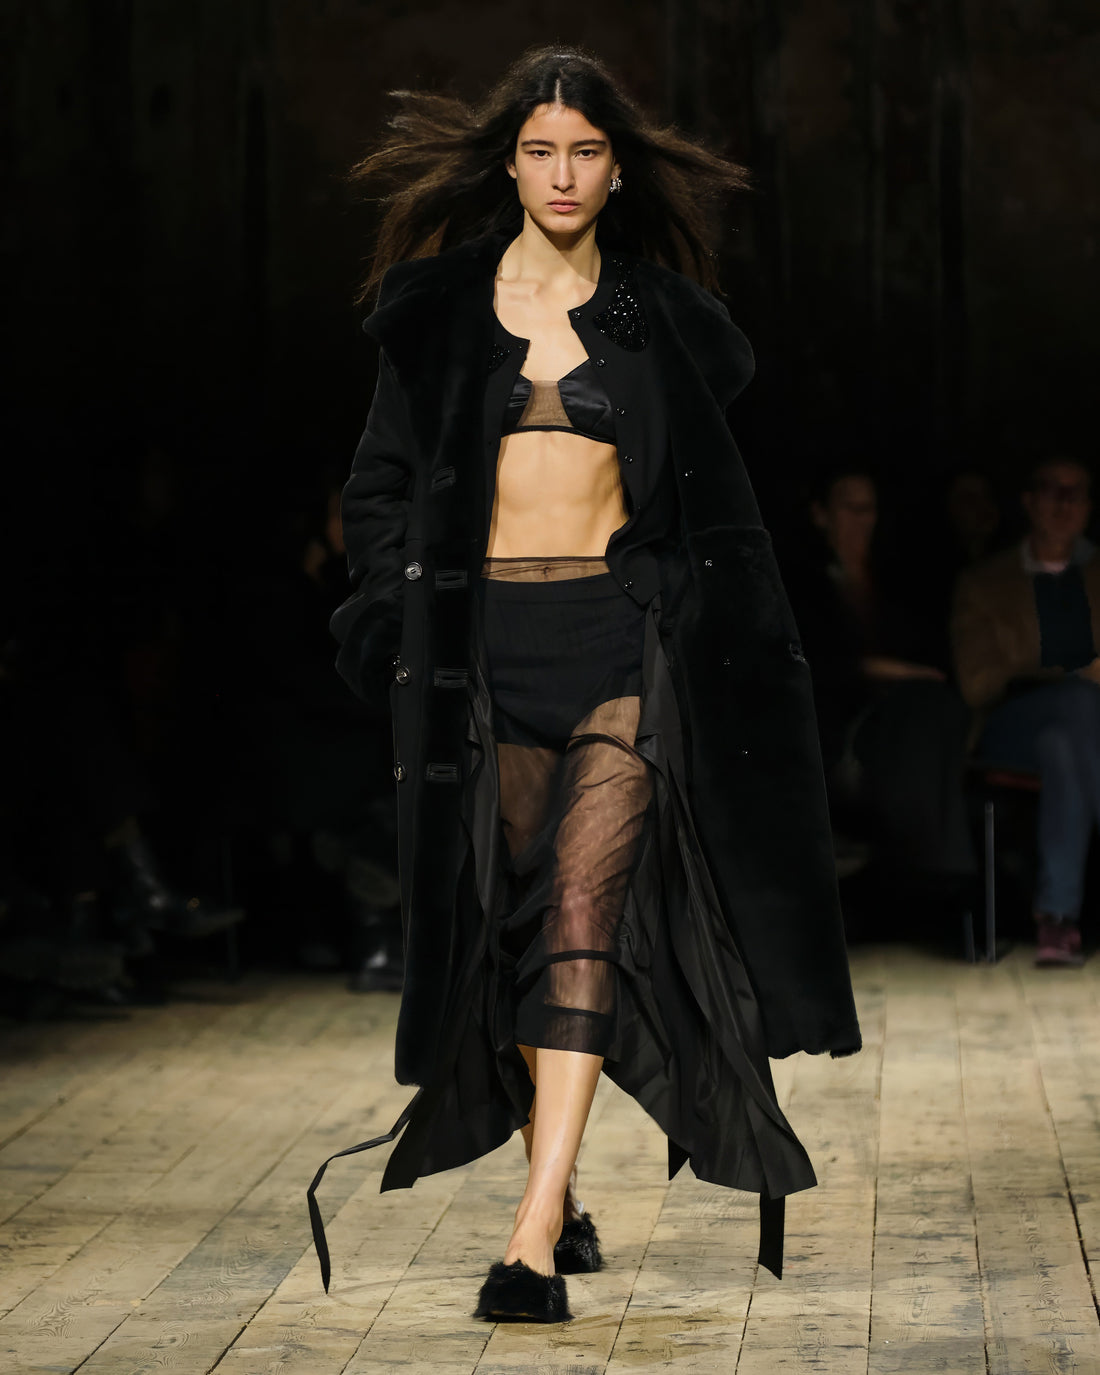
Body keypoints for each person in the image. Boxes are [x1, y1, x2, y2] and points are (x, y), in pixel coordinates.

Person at [307, 46, 861, 1323]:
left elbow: (711, 498)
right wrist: (394, 612)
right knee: (506, 923)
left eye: (586, 151)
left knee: (579, 916)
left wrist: (710, 624)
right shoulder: (436, 313)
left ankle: (531, 1235)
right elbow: (380, 484)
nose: (562, 173)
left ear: (618, 170)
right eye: (541, 151)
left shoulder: (661, 319)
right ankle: (552, 1180)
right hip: (482, 654)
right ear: (509, 165)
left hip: (618, 646)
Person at [785, 465, 976, 892]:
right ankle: (940, 877)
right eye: (849, 506)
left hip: (912, 717)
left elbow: (935, 655)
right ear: (820, 514)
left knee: (939, 713)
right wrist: (896, 671)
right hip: (841, 726)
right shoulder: (802, 585)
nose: (861, 517)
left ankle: (943, 877)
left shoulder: (899, 582)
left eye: (868, 507)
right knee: (924, 718)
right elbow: (813, 659)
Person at [952, 456, 1100, 966]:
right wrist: (1071, 669)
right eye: (1053, 490)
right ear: (1029, 502)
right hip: (1009, 723)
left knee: (1063, 743)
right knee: (1077, 702)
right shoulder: (985, 581)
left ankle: (1057, 920)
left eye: (1076, 492)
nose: (1064, 503)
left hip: (1083, 733)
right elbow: (975, 682)